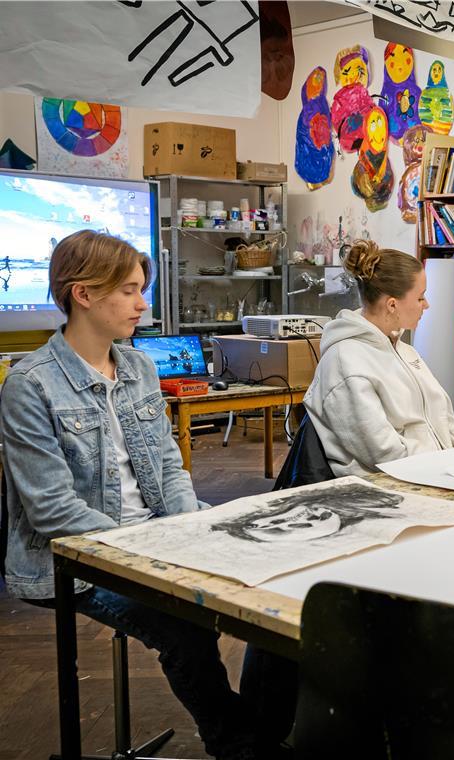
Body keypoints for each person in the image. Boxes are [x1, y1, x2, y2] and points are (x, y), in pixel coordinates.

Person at [0, 230, 255, 759]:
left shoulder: (138, 366)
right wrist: (151, 549)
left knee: (267, 583)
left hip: (155, 539)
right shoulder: (30, 384)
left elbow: (167, 464)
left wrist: (186, 529)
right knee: (184, 625)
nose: (144, 305)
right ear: (83, 294)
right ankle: (237, 744)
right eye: (130, 291)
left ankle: (265, 727)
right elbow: (52, 510)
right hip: (70, 559)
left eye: (143, 289)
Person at [303, 239, 454, 475]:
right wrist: (443, 467)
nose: (426, 305)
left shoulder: (405, 352)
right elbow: (383, 452)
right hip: (387, 488)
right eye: (420, 297)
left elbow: (444, 420)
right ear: (392, 305)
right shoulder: (345, 362)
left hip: (433, 473)